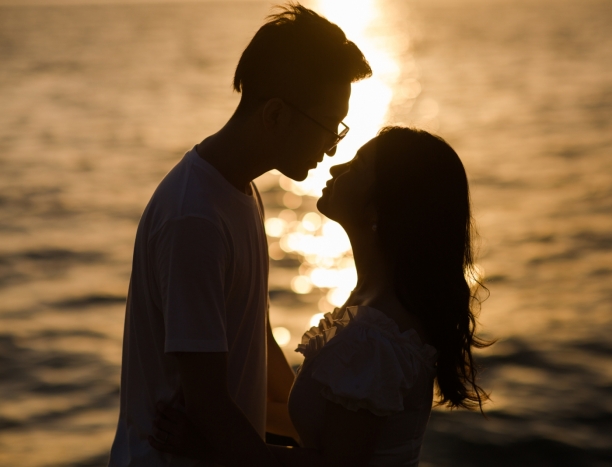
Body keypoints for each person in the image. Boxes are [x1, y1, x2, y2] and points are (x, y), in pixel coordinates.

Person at [107, 3, 372, 466]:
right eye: (328, 127)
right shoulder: (195, 219)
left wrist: (308, 424)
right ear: (274, 114)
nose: (332, 148)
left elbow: (254, 334)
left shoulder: (240, 190)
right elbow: (207, 405)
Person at [149, 126, 492, 466]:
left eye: (356, 167)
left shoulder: (374, 338)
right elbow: (316, 424)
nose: (335, 168)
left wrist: (210, 451)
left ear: (377, 210)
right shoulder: (373, 309)